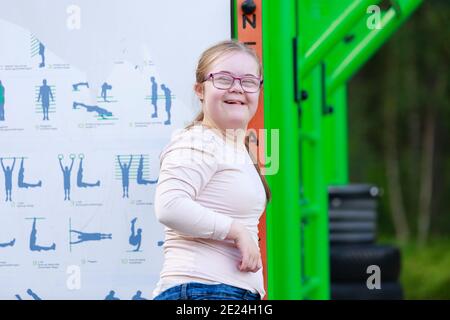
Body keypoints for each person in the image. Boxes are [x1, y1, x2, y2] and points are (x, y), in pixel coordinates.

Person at [152, 40, 271, 300]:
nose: (237, 88)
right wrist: (237, 231)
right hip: (203, 292)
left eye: (249, 81)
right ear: (200, 90)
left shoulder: (236, 147)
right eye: (224, 79)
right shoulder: (197, 140)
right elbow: (169, 205)